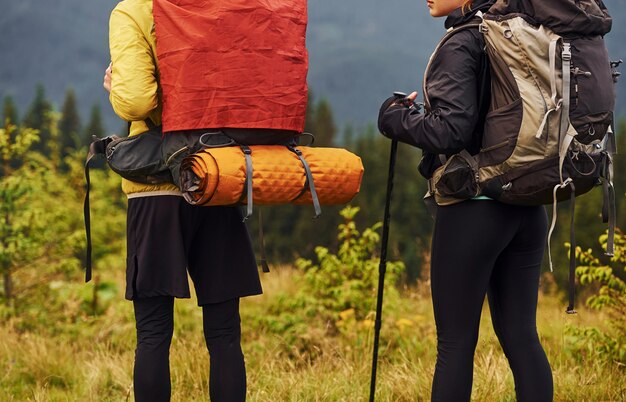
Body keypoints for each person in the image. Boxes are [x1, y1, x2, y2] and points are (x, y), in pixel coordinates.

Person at [378, 0, 553, 401]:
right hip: (527, 206)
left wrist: (394, 118)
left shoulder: (463, 42)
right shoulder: (520, 33)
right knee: (523, 338)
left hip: (474, 210)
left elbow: (451, 132)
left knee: (455, 345)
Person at [102, 1, 262, 401]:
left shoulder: (134, 10)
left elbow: (137, 102)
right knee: (225, 332)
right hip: (215, 176)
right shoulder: (221, 7)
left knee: (154, 332)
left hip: (156, 188)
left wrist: (119, 87)